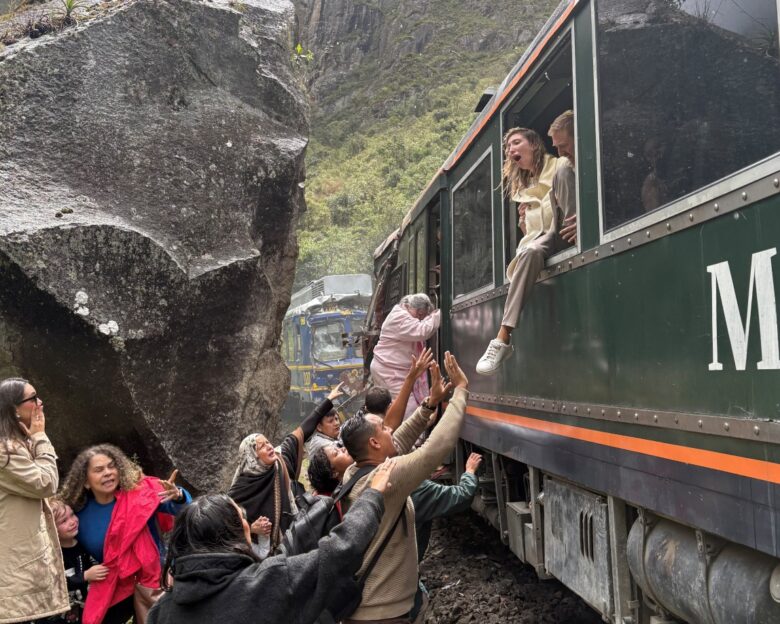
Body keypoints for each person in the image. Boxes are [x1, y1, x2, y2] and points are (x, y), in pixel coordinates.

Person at [147, 460, 397, 624]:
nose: (247, 521)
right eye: (242, 517)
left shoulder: (161, 613)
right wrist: (372, 496)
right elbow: (341, 548)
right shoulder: (268, 581)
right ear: (235, 532)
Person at [339, 352, 469, 623]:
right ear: (374, 444)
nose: (390, 430)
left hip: (367, 608)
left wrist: (428, 405)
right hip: (383, 613)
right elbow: (434, 450)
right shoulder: (390, 478)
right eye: (384, 429)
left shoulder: (355, 472)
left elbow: (399, 439)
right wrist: (460, 392)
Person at [476, 112, 577, 375]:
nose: (510, 149)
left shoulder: (559, 165)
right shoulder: (524, 190)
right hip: (545, 242)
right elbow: (534, 235)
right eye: (508, 146)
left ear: (534, 144)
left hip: (568, 231)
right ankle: (503, 338)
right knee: (530, 251)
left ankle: (501, 336)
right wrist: (524, 226)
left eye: (516, 142)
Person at [59, 445, 191, 624]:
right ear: (86, 481)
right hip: (114, 585)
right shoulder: (78, 516)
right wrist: (82, 576)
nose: (107, 473)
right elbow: (68, 551)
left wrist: (178, 496)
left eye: (112, 466)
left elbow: (183, 509)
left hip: (153, 579)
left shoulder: (140, 494)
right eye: (99, 470)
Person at [228, 387, 343, 557]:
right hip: (261, 560)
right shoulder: (240, 489)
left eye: (268, 442)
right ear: (252, 457)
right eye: (262, 446)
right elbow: (227, 527)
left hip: (293, 545)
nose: (269, 446)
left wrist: (327, 402)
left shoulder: (280, 462)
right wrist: (252, 529)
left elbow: (302, 431)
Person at [0, 377, 69, 623]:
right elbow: (47, 484)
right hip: (17, 578)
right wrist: (41, 438)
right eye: (32, 399)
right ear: (13, 408)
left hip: (27, 570)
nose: (40, 403)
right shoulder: (4, 451)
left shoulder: (17, 444)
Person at [369, 293, 440, 419]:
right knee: (409, 408)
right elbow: (422, 330)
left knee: (398, 407)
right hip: (390, 371)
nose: (419, 319)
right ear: (415, 309)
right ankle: (412, 437)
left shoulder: (402, 313)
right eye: (420, 316)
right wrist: (441, 312)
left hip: (392, 369)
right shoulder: (399, 318)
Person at [49, 498, 108, 624]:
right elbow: (56, 584)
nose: (72, 522)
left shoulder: (83, 544)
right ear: (51, 529)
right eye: (63, 521)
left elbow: (93, 564)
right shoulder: (52, 555)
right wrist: (85, 576)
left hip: (83, 609)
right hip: (60, 614)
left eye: (72, 515)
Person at [305, 383, 346, 457]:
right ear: (319, 427)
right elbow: (340, 449)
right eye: (331, 421)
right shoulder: (319, 442)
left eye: (336, 419)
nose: (336, 423)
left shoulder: (333, 435)